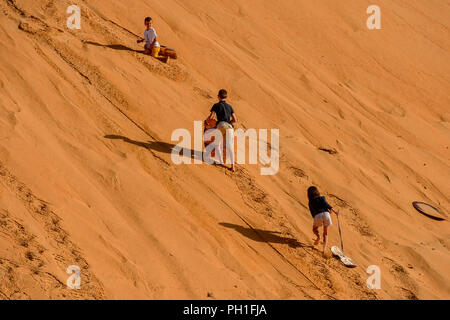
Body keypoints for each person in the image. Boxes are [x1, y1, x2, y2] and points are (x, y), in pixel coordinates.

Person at [205, 89, 237, 172]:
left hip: (220, 125)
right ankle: (233, 166)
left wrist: (206, 121)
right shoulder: (230, 107)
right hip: (229, 127)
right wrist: (229, 122)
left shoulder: (216, 105)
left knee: (217, 144)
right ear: (226, 97)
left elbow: (212, 116)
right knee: (230, 146)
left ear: (218, 96)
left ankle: (221, 161)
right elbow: (235, 120)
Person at [307, 186, 340, 254]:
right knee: (325, 233)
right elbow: (327, 205)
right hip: (326, 214)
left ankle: (318, 237)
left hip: (317, 215)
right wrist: (335, 212)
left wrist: (316, 219)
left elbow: (312, 212)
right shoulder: (322, 198)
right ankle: (324, 250)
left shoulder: (310, 202)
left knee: (314, 229)